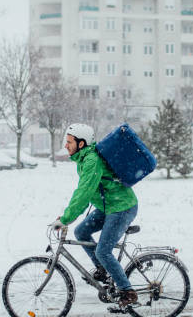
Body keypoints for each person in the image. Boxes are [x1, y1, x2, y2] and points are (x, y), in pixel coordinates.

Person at [50, 123, 139, 308]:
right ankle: (103, 269)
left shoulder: (91, 161)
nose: (66, 145)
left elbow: (83, 192)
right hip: (109, 206)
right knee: (81, 232)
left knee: (103, 251)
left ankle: (127, 291)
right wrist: (69, 216)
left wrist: (65, 218)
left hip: (121, 207)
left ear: (81, 144)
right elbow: (87, 192)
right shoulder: (84, 159)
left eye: (69, 142)